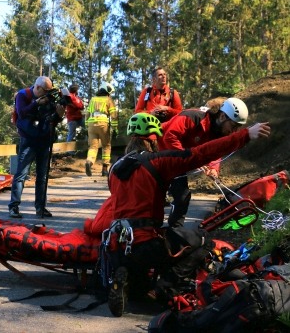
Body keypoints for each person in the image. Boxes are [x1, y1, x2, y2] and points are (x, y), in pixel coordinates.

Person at [82, 112, 271, 317]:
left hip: (116, 246)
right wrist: (244, 135)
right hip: (145, 243)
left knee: (142, 276)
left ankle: (130, 280)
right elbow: (199, 153)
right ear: (153, 139)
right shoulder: (157, 162)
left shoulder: (115, 169)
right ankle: (166, 289)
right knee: (202, 240)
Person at [160, 97, 249, 228]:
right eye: (233, 126)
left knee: (182, 196)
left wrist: (214, 168)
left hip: (176, 162)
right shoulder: (192, 117)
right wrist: (189, 157)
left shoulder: (218, 133)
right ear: (223, 116)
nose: (234, 132)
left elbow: (215, 150)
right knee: (155, 196)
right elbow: (169, 136)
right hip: (158, 154)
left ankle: (175, 231)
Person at [8, 75, 65, 219]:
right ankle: (13, 207)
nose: (47, 94)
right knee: (21, 174)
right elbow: (22, 113)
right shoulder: (22, 95)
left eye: (49, 91)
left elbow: (51, 119)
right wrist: (36, 103)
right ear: (38, 87)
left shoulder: (49, 98)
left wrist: (59, 115)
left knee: (42, 177)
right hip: (29, 139)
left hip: (44, 139)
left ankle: (40, 207)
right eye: (45, 91)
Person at [84, 81, 118, 177]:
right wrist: (115, 128)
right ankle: (104, 169)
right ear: (107, 91)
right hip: (103, 123)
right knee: (106, 146)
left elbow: (87, 113)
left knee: (93, 147)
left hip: (91, 124)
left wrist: (87, 126)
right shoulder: (108, 99)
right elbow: (114, 115)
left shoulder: (93, 99)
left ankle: (89, 162)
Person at [64, 83, 85, 150]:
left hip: (79, 117)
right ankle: (68, 151)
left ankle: (86, 147)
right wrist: (77, 106)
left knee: (88, 128)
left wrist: (78, 106)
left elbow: (81, 106)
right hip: (72, 118)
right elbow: (79, 106)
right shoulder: (69, 96)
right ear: (75, 90)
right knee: (71, 134)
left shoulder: (76, 97)